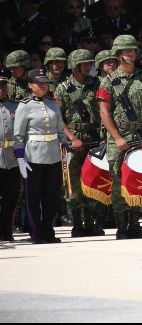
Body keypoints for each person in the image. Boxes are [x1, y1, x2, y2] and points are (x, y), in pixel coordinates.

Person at [96, 34, 142, 239]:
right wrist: (116, 137)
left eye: (133, 51)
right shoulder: (108, 82)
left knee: (137, 179)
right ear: (118, 54)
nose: (131, 54)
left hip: (141, 135)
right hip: (120, 136)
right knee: (118, 182)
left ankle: (135, 224)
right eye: (126, 51)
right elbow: (105, 114)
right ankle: (122, 226)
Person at [13, 68, 68, 244]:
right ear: (30, 85)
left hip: (53, 155)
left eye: (45, 83)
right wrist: (20, 158)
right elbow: (18, 136)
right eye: (39, 83)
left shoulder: (53, 103)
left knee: (51, 197)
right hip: (33, 157)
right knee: (33, 198)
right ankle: (36, 232)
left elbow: (60, 130)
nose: (43, 86)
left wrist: (66, 150)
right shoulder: (24, 105)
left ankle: (48, 230)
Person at [54, 49, 103, 237]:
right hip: (72, 140)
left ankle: (90, 222)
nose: (89, 66)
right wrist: (72, 138)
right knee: (72, 184)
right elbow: (58, 118)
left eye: (90, 63)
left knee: (92, 181)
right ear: (75, 65)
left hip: (93, 138)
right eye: (85, 64)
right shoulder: (63, 87)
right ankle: (77, 223)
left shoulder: (96, 84)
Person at [0, 69, 19, 242]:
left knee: (11, 198)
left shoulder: (15, 106)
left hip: (12, 159)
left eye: (4, 84)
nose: (1, 88)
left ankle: (7, 231)